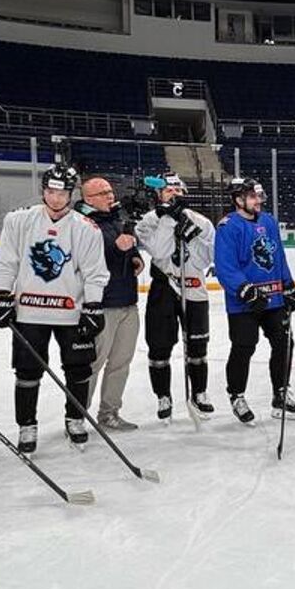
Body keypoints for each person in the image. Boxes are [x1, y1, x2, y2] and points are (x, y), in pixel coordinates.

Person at [0, 165, 109, 454]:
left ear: (71, 194)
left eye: (62, 192)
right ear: (43, 191)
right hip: (29, 313)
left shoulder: (86, 227)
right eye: (50, 192)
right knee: (27, 371)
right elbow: (7, 260)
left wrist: (93, 305)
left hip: (71, 313)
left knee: (78, 369)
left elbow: (94, 272)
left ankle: (75, 418)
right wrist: (2, 295)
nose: (55, 198)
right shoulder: (19, 221)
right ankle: (26, 425)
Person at [213, 178, 295, 423]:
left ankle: (281, 392)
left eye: (258, 196)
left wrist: (288, 285)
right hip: (244, 303)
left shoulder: (268, 221)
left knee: (285, 343)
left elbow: (278, 256)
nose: (258, 201)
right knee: (244, 346)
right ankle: (237, 395)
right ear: (238, 200)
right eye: (252, 197)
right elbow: (225, 266)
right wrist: (246, 290)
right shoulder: (228, 227)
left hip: (273, 299)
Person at [134, 174, 216, 422]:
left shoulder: (201, 221)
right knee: (159, 345)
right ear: (159, 194)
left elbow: (205, 259)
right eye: (167, 190)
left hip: (194, 288)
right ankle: (163, 395)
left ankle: (199, 393)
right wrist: (170, 221)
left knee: (198, 345)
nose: (172, 194)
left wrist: (194, 236)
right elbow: (160, 251)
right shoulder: (147, 222)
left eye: (176, 190)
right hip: (163, 287)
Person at [80, 176, 145, 431]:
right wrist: (116, 251)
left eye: (110, 191)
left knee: (121, 362)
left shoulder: (115, 219)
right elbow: (87, 263)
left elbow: (127, 248)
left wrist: (135, 257)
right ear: (88, 199)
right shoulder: (82, 225)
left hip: (128, 301)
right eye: (103, 193)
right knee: (93, 363)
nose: (110, 196)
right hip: (102, 305)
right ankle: (77, 414)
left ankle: (109, 412)